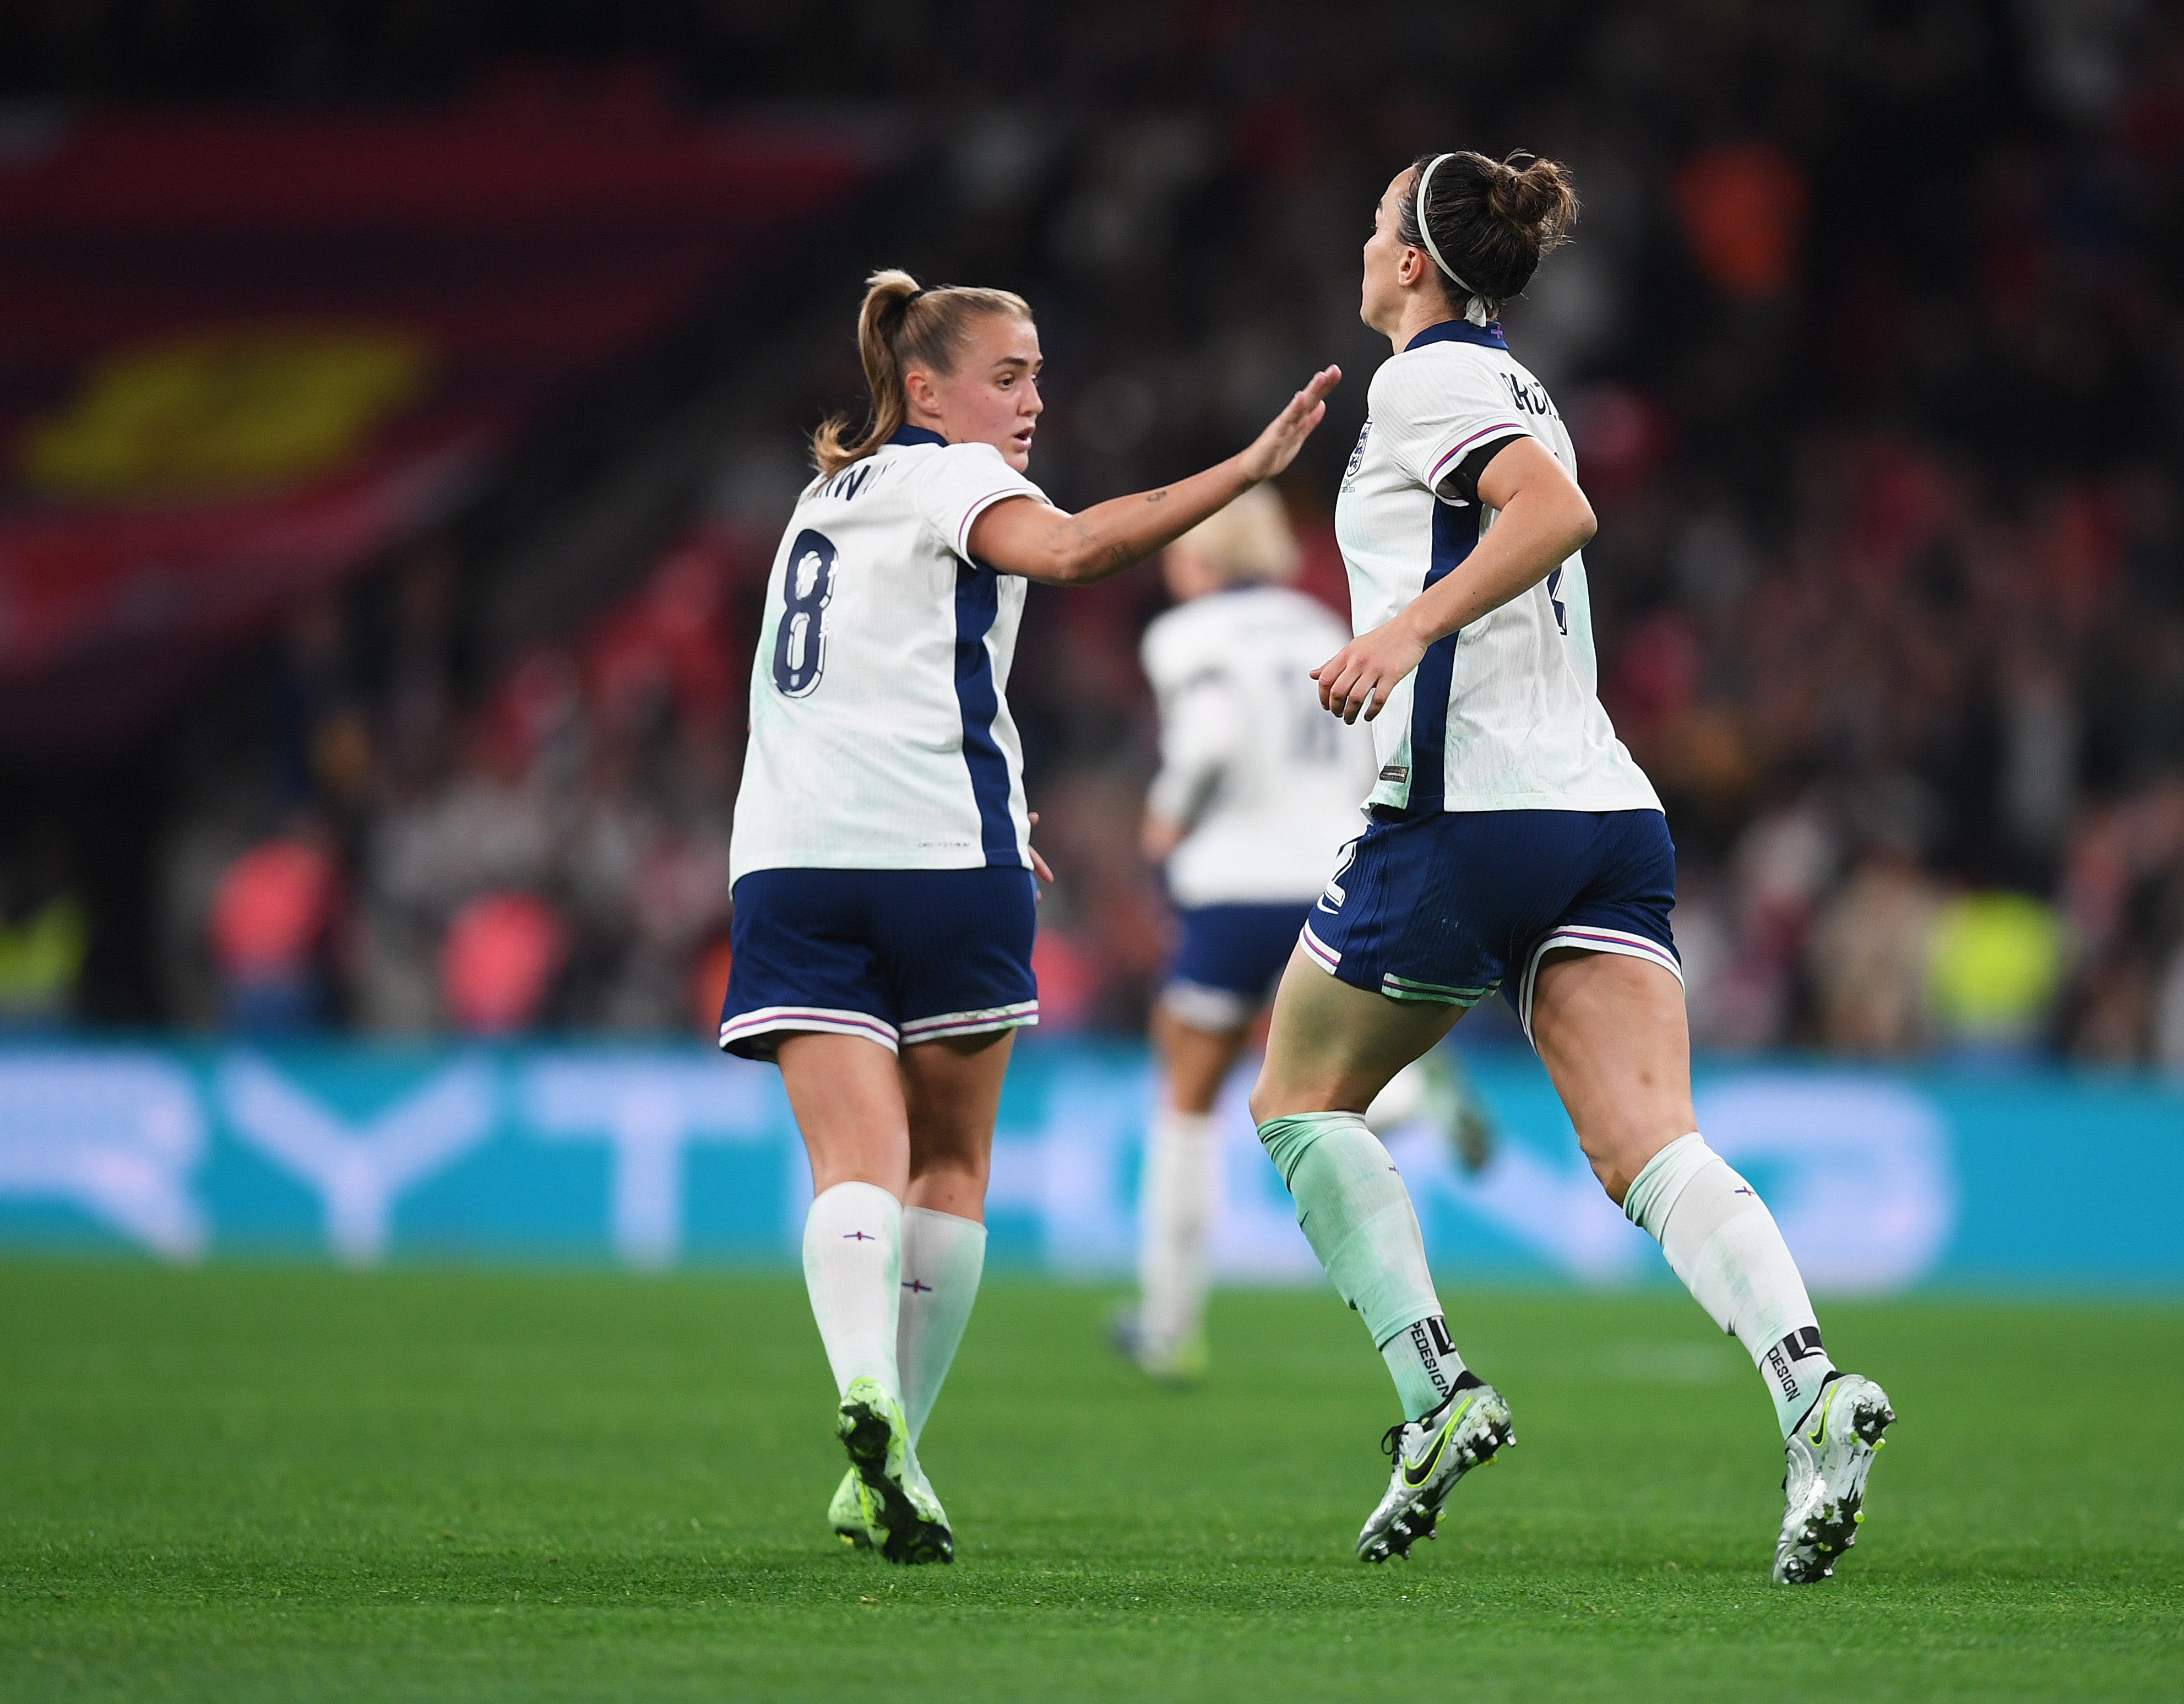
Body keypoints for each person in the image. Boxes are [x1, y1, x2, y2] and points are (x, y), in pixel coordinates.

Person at [1246, 153, 1895, 1583]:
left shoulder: (1426, 384)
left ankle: (1434, 1393)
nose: (1360, 243)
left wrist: (1405, 629)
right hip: (1603, 812)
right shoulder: (1506, 378)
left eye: (1373, 224)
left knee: (1297, 1099)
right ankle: (1812, 1388)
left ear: (1415, 264)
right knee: (1650, 1143)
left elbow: (1552, 511)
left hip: (1469, 812)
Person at [720, 268, 1337, 1565]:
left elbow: (855, 681)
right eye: (1009, 377)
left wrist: (994, 792)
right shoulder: (953, 479)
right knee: (947, 1162)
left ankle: (860, 1392)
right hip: (942, 863)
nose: (1033, 403)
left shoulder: (816, 503)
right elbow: (1068, 551)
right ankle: (903, 1437)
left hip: (788, 854)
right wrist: (1242, 470)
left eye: (1039, 375)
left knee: (848, 1162)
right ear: (923, 387)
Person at [1113, 487, 1496, 1384]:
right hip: (1329, 874)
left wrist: (1167, 820)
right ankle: (1405, 1096)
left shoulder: (1185, 636)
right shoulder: (1317, 620)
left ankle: (1169, 1325)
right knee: (1320, 1079)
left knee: (1189, 1095)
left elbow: (1206, 741)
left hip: (1232, 885)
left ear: (1195, 554)